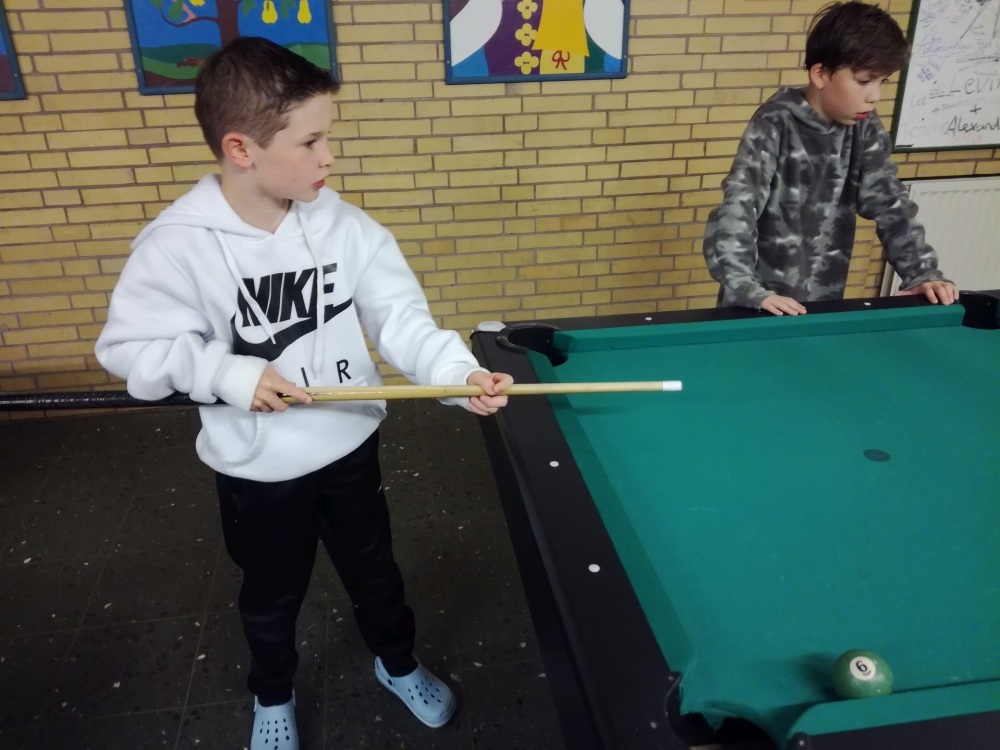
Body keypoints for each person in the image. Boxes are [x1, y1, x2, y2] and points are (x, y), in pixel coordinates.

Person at [94, 36, 511, 750]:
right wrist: (229, 375)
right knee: (271, 595)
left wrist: (457, 372)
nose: (329, 157)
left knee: (375, 572)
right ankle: (273, 695)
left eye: (328, 137)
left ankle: (397, 663)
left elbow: (402, 319)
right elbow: (128, 348)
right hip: (256, 470)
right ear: (241, 148)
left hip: (349, 446)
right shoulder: (176, 246)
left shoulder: (346, 228)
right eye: (311, 141)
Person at [702, 0, 959, 315]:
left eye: (882, 82)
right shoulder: (775, 122)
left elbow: (891, 203)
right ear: (820, 74)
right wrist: (747, 288)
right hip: (759, 305)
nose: (875, 96)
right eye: (864, 81)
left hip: (824, 304)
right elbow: (737, 209)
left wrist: (922, 272)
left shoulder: (865, 127)